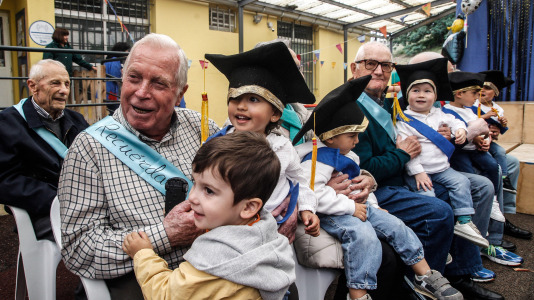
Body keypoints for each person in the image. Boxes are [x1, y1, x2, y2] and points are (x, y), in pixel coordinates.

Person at [58, 33, 219, 299]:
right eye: (134, 78)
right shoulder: (89, 148)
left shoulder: (204, 129)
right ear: (122, 78)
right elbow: (79, 249)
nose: (141, 92)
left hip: (214, 263)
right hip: (139, 278)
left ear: (181, 93)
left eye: (158, 83)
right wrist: (166, 235)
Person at [350, 42, 503, 300]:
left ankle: (461, 271)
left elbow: (425, 127)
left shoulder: (389, 103)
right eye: (370, 64)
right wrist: (402, 154)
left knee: (480, 187)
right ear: (354, 68)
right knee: (440, 209)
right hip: (378, 190)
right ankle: (421, 283)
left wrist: (444, 135)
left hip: (405, 177)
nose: (379, 71)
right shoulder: (352, 108)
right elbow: (363, 168)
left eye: (385, 65)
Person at [294, 78, 462, 300]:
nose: (356, 141)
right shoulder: (318, 160)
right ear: (331, 137)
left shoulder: (349, 154)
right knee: (363, 236)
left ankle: (425, 275)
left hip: (355, 206)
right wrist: (350, 207)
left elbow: (359, 184)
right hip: (332, 213)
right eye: (351, 135)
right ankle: (357, 293)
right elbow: (311, 193)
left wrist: (374, 205)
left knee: (396, 225)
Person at [122, 131, 295, 300]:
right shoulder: (267, 233)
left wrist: (143, 254)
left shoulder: (215, 260)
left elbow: (164, 294)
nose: (192, 197)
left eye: (209, 191)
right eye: (195, 183)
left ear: (249, 206)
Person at [204, 42, 320, 237]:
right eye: (235, 98)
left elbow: (299, 181)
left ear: (275, 113)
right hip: (228, 229)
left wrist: (306, 208)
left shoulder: (282, 148)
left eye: (253, 99)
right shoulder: (218, 143)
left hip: (274, 229)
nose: (241, 106)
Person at [394, 58, 488, 248]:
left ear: (435, 96)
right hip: (420, 173)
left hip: (442, 168)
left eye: (427, 91)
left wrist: (460, 130)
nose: (421, 95)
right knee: (430, 202)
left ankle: (463, 221)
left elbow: (455, 122)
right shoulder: (403, 121)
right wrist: (417, 172)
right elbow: (404, 150)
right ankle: (431, 242)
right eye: (415, 90)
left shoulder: (439, 114)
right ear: (407, 94)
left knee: (462, 182)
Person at [0, 59, 88, 240]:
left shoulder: (76, 120)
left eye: (67, 84)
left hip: (84, 205)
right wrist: (58, 198)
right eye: (55, 83)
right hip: (42, 211)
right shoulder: (7, 123)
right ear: (33, 86)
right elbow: (5, 181)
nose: (64, 90)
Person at [104, 42, 131, 115]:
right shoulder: (115, 61)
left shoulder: (109, 60)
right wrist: (122, 75)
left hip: (106, 90)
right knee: (115, 112)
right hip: (111, 92)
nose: (127, 53)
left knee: (112, 111)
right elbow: (115, 76)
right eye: (126, 51)